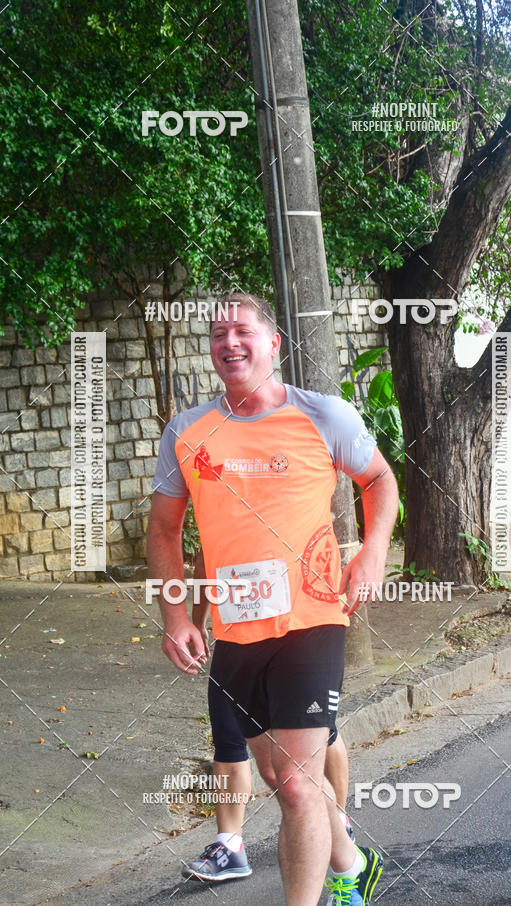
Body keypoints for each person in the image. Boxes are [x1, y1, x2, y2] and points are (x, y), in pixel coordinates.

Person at [147, 292, 398, 906]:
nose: (228, 342)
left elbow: (381, 479)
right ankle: (351, 859)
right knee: (274, 774)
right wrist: (177, 615)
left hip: (313, 620)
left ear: (273, 344)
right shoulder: (187, 431)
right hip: (236, 629)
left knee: (292, 781)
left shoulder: (322, 415)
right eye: (217, 334)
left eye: (242, 331)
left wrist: (371, 552)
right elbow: (163, 530)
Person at [180, 550, 355, 884]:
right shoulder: (216, 500)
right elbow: (206, 557)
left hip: (302, 631)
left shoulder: (293, 497)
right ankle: (229, 845)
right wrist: (198, 619)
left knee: (319, 738)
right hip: (239, 634)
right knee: (229, 735)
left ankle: (338, 823)